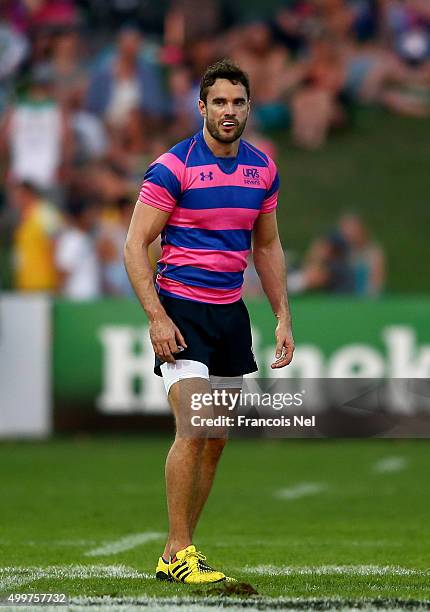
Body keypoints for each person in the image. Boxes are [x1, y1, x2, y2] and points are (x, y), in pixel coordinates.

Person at [124, 59, 294, 585]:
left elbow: (265, 245)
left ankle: (180, 550)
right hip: (182, 310)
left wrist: (283, 316)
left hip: (230, 314)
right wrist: (155, 316)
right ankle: (178, 550)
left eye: (237, 102)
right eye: (219, 102)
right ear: (201, 107)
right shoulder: (173, 167)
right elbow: (134, 245)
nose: (228, 111)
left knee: (216, 436)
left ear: (248, 107)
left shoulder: (262, 168)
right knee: (195, 426)